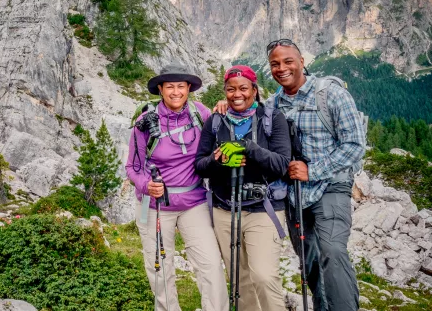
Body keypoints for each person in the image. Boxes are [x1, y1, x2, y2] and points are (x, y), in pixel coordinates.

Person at [266, 39, 365, 311]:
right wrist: (224, 105)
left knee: (332, 251)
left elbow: (355, 145)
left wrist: (312, 170)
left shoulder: (331, 94)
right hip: (295, 195)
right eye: (275, 64)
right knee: (308, 259)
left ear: (302, 62)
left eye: (288, 61)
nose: (282, 68)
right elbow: (245, 111)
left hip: (331, 186)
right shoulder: (272, 104)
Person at [125, 63, 228, 311]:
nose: (175, 92)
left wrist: (224, 108)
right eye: (169, 86)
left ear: (189, 89)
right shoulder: (145, 122)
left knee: (211, 266)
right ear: (160, 89)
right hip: (154, 205)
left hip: (194, 202)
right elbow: (132, 167)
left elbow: (223, 130)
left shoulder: (200, 114)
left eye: (181, 86)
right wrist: (146, 185)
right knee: (160, 269)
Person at [195, 65, 291, 311]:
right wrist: (219, 161)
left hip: (263, 209)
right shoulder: (215, 121)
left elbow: (281, 164)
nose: (237, 94)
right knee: (239, 279)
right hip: (224, 210)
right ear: (224, 92)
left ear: (255, 90)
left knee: (264, 275)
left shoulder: (272, 118)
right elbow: (200, 165)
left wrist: (249, 148)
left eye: (243, 88)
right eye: (230, 89)